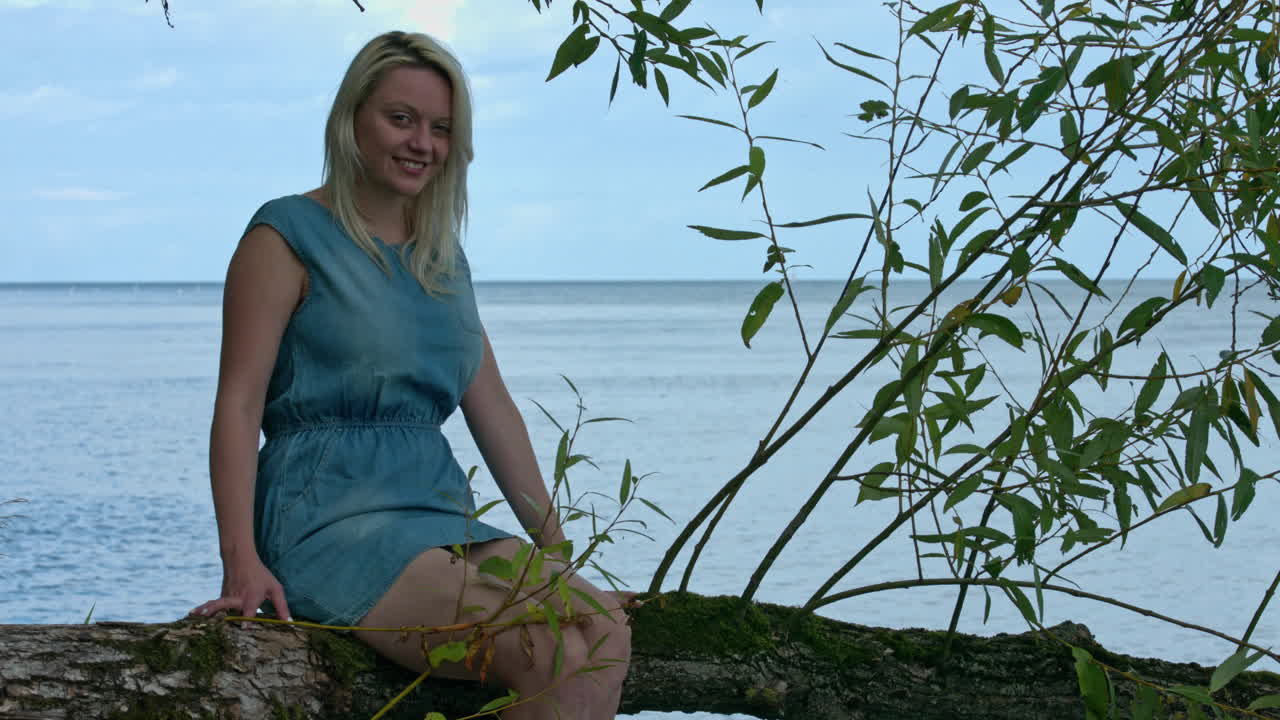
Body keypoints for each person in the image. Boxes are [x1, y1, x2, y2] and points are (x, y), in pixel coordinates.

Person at [190, 30, 631, 720]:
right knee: (547, 650)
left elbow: (494, 411)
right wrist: (240, 561)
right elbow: (238, 406)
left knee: (603, 630)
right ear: (351, 119)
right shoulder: (284, 237)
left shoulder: (440, 257)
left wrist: (557, 554)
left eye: (441, 128)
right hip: (330, 522)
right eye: (401, 119)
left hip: (439, 513)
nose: (421, 143)